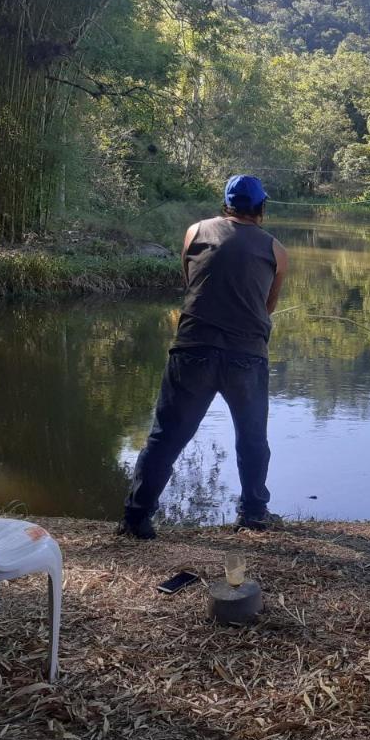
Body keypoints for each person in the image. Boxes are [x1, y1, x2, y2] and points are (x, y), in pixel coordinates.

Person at [118, 175, 289, 539]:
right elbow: (267, 306)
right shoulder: (276, 250)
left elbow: (191, 282)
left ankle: (135, 518)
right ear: (260, 208)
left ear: (226, 204)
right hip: (246, 354)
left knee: (165, 438)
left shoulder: (194, 232)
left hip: (193, 349)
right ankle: (254, 514)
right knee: (252, 438)